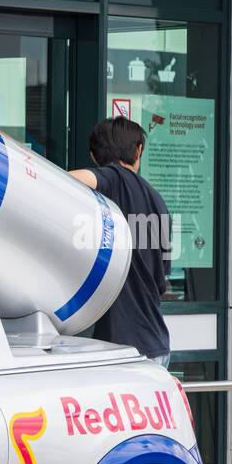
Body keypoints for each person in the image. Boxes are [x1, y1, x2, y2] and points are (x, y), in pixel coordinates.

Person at [69, 117, 172, 367]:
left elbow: (75, 179)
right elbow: (162, 281)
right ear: (138, 151)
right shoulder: (157, 200)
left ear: (94, 156)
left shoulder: (112, 178)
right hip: (155, 342)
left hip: (120, 350)